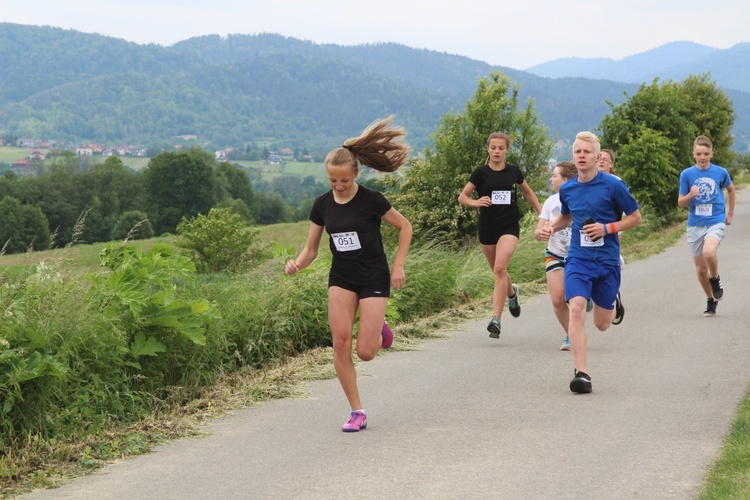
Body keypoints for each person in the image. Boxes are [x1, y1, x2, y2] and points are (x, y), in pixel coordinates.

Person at [284, 116, 413, 432]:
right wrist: (298, 263)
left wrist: (398, 266)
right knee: (340, 343)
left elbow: (405, 227)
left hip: (373, 277)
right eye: (333, 181)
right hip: (342, 278)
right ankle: (357, 411)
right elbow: (312, 248)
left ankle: (378, 324)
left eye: (344, 180)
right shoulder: (322, 205)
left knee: (366, 353)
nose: (339, 186)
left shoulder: (372, 200)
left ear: (356, 173)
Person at [541, 132, 641, 394]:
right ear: (573, 156)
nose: (582, 156)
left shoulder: (613, 186)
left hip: (607, 261)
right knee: (575, 307)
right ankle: (582, 374)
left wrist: (607, 228)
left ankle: (612, 299)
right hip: (578, 260)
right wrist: (550, 228)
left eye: (587, 152)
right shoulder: (568, 189)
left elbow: (635, 218)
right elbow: (566, 217)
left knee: (602, 324)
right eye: (578, 152)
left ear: (597, 157)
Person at [458, 132, 542, 338]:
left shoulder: (514, 171)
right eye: (493, 147)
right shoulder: (480, 173)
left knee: (499, 268)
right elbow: (463, 197)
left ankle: (496, 320)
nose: (497, 151)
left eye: (501, 148)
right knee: (499, 272)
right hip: (487, 228)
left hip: (509, 227)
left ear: (507, 150)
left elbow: (528, 193)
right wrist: (476, 202)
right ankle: (511, 293)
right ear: (488, 149)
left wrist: (543, 215)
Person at [677, 135, 735, 317]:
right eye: (699, 154)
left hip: (716, 220)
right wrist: (690, 196)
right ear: (693, 154)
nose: (703, 157)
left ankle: (715, 277)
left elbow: (731, 190)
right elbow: (680, 203)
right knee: (701, 269)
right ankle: (710, 300)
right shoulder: (687, 175)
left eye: (706, 154)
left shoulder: (720, 172)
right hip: (695, 224)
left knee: (709, 252)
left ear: (711, 154)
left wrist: (730, 213)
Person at [534, 161, 578, 351]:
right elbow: (538, 231)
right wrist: (541, 233)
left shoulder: (581, 199)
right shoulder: (550, 202)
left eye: (554, 176)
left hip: (578, 255)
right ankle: (571, 334)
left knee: (575, 298)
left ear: (566, 180)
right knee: (558, 299)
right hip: (554, 254)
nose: (551, 179)